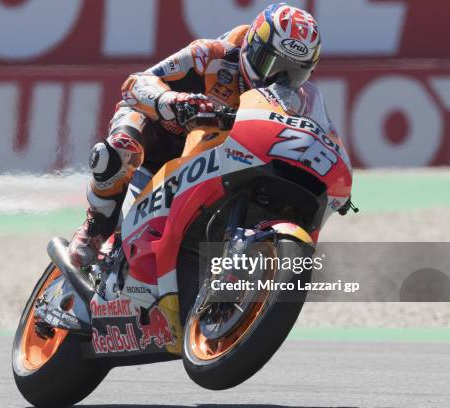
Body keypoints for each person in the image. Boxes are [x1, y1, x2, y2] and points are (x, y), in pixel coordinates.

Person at [69, 3, 322, 267]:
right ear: (251, 46)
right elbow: (134, 84)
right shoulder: (210, 56)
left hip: (208, 157)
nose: (276, 80)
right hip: (159, 135)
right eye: (271, 65)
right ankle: (96, 228)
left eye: (293, 73)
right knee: (120, 148)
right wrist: (172, 101)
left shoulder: (297, 101)